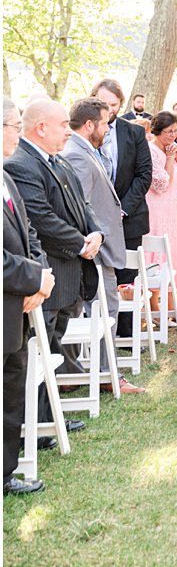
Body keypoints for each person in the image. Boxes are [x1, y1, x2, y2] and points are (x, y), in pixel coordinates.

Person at [9, 97, 101, 442]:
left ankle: (48, 419)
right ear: (41, 127)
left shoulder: (57, 162)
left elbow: (81, 205)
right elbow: (41, 218)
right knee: (40, 348)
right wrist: (79, 243)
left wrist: (95, 233)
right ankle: (37, 427)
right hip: (49, 271)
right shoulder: (21, 165)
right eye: (63, 124)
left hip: (71, 271)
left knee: (53, 345)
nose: (69, 130)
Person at [61, 97, 148, 387]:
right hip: (94, 250)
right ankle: (108, 376)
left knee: (99, 312)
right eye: (105, 124)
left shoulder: (84, 150)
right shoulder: (77, 154)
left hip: (99, 247)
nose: (109, 130)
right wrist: (92, 240)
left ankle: (84, 374)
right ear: (89, 125)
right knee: (105, 312)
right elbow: (79, 207)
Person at [4, 97, 55, 496]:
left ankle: (5, 474)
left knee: (12, 392)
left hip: (17, 305)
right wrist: (33, 276)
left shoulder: (5, 176)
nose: (18, 133)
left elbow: (29, 231)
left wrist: (40, 276)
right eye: (13, 125)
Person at [92, 79, 152, 308]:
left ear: (122, 104)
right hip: (94, 221)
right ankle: (99, 335)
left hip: (129, 218)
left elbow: (143, 175)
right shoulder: (83, 133)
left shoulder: (134, 132)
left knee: (128, 279)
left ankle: (127, 335)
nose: (108, 109)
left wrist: (122, 209)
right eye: (102, 103)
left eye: (114, 104)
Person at [145, 112, 177, 316]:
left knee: (173, 255)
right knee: (158, 257)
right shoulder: (151, 151)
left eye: (176, 130)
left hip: (174, 213)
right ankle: (154, 306)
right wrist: (168, 158)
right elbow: (161, 184)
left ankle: (171, 304)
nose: (173, 135)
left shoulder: (174, 148)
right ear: (157, 131)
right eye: (168, 132)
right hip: (157, 212)